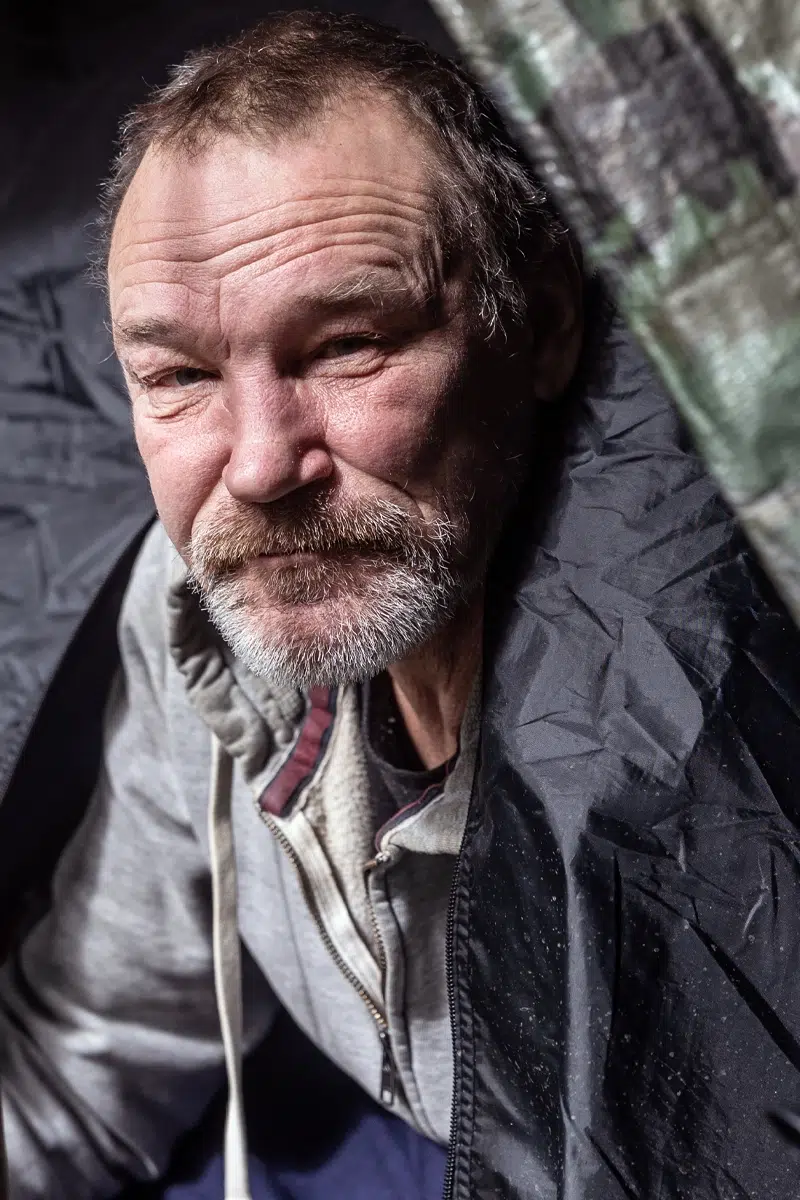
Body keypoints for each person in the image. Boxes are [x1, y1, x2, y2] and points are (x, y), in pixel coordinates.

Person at [3, 12, 800, 1200]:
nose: (262, 464)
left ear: (540, 325)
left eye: (347, 344)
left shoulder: (712, 707)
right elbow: (81, 1063)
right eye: (178, 375)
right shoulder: (196, 626)